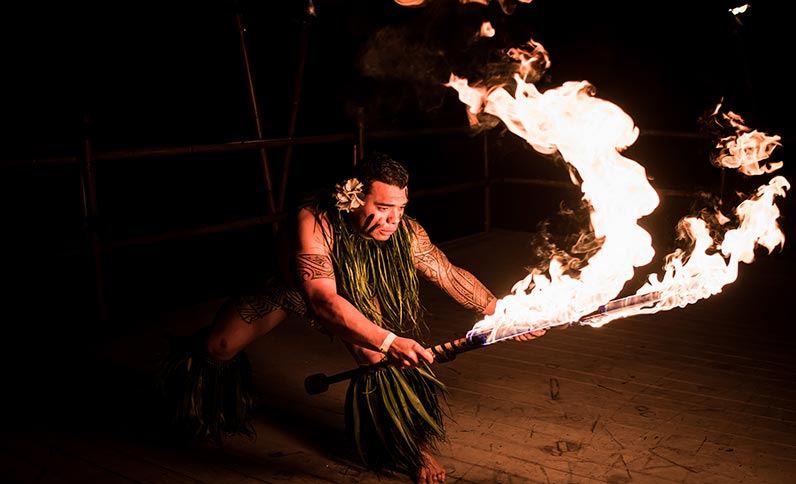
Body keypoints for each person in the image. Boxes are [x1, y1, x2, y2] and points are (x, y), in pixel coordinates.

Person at [159, 153, 545, 484]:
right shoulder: (315, 222)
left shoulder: (407, 232)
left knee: (377, 361)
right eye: (382, 208)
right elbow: (322, 299)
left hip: (355, 293)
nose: (393, 219)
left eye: (400, 208)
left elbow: (447, 273)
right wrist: (390, 339)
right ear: (354, 197)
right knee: (219, 346)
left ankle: (414, 447)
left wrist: (505, 313)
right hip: (292, 288)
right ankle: (199, 406)